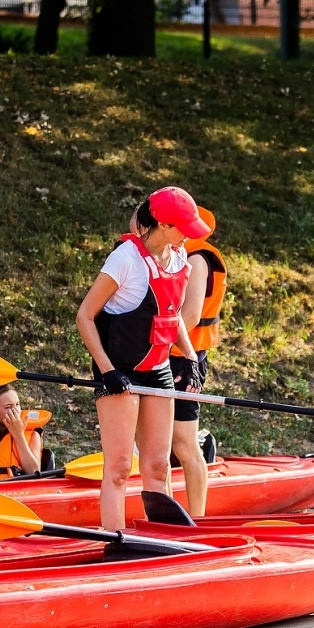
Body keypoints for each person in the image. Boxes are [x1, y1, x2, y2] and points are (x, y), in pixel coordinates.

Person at [76, 186, 209, 531]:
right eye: (183, 227)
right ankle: (114, 540)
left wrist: (192, 357)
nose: (187, 236)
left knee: (158, 467)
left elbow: (171, 313)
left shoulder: (181, 261)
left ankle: (160, 538)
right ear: (163, 225)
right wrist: (107, 371)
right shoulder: (125, 260)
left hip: (159, 371)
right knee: (120, 467)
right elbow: (85, 317)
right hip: (119, 372)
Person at [170, 206, 225, 517]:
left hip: (184, 359)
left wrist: (157, 346)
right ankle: (163, 513)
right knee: (159, 447)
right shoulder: (179, 255)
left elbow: (189, 316)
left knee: (184, 444)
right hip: (168, 356)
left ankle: (199, 516)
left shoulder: (197, 259)